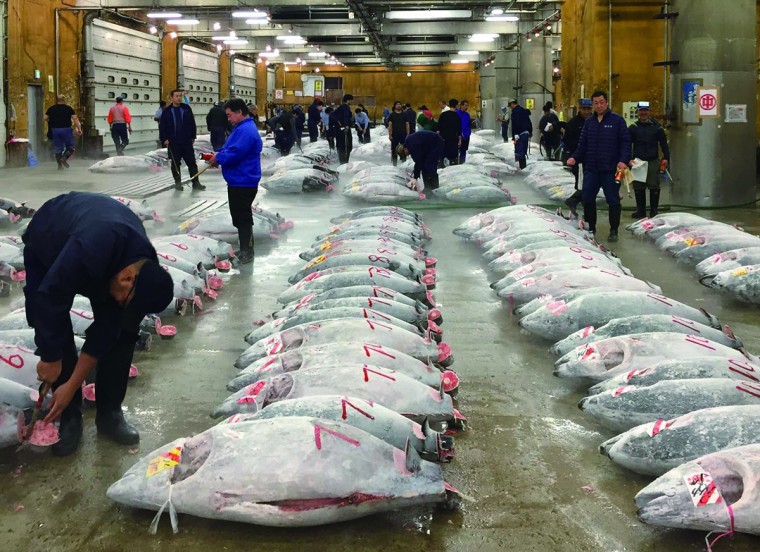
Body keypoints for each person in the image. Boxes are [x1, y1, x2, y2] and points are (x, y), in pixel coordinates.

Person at [22, 192, 174, 456]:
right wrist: (50, 357)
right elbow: (50, 298)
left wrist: (73, 383)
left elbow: (107, 330)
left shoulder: (144, 268)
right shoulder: (87, 249)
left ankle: (109, 413)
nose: (119, 301)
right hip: (49, 241)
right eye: (124, 298)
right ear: (127, 279)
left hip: (105, 250)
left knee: (123, 329)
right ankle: (69, 416)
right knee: (52, 324)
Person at [567, 90, 631, 242]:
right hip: (592, 169)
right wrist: (574, 157)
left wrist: (623, 160)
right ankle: (591, 227)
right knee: (588, 198)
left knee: (613, 200)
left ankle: (614, 230)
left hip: (611, 170)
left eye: (601, 102)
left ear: (607, 103)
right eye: (596, 103)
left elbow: (625, 142)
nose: (599, 105)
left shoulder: (617, 121)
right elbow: (582, 144)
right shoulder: (589, 122)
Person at [208, 99, 262, 265]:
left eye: (230, 115)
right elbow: (229, 148)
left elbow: (235, 153)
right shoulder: (241, 128)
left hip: (243, 180)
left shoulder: (246, 130)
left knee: (243, 217)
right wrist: (218, 155)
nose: (228, 119)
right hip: (238, 179)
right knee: (239, 217)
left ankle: (248, 250)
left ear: (239, 112)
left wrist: (219, 158)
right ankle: (245, 247)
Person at [628, 101, 670, 219]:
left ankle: (654, 211)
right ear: (638, 112)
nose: (643, 113)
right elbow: (626, 144)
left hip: (653, 161)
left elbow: (664, 144)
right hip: (638, 162)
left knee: (654, 186)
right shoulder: (633, 128)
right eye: (641, 110)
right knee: (638, 186)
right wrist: (628, 159)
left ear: (649, 112)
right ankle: (640, 211)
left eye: (646, 110)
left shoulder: (657, 128)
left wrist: (666, 157)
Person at [159, 89, 205, 191]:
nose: (179, 98)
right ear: (171, 98)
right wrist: (164, 139)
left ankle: (196, 182)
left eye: (180, 96)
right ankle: (178, 183)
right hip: (173, 142)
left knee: (191, 162)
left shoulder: (186, 109)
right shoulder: (167, 111)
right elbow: (162, 126)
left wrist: (193, 136)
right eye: (177, 96)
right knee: (175, 163)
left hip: (186, 141)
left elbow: (192, 123)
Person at [561, 98, 593, 216]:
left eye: (588, 109)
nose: (586, 111)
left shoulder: (594, 121)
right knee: (582, 184)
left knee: (589, 184)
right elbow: (566, 141)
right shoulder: (573, 123)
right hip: (579, 160)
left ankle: (579, 205)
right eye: (584, 109)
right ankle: (575, 202)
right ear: (579, 109)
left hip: (592, 159)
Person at [397, 130, 445, 196]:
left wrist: (415, 178)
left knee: (430, 165)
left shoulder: (413, 146)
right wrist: (416, 176)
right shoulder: (409, 144)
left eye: (405, 154)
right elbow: (419, 162)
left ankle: (435, 189)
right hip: (428, 147)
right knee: (424, 166)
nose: (407, 155)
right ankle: (427, 188)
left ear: (405, 149)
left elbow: (418, 162)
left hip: (436, 143)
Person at [45, 95, 82, 170]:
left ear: (57, 100)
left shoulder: (51, 108)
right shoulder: (68, 108)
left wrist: (50, 122)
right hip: (66, 130)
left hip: (55, 130)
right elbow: (75, 119)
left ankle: (59, 166)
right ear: (64, 100)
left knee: (58, 149)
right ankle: (64, 158)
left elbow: (45, 118)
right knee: (71, 147)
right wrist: (79, 128)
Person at [508, 99, 532, 169]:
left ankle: (522, 168)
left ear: (513, 104)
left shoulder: (515, 112)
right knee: (523, 150)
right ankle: (523, 167)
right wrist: (530, 131)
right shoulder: (523, 111)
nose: (510, 107)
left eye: (510, 105)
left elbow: (516, 124)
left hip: (520, 134)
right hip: (526, 133)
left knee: (519, 151)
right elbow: (529, 122)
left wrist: (515, 134)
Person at [330, 94, 354, 164]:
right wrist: (346, 125)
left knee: (340, 145)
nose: (351, 101)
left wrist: (338, 122)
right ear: (348, 100)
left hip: (339, 130)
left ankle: (342, 160)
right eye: (351, 100)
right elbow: (346, 117)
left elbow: (332, 115)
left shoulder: (340, 107)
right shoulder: (346, 107)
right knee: (347, 145)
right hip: (344, 130)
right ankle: (345, 161)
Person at [437, 99, 462, 166]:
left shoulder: (443, 115)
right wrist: (460, 140)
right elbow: (459, 130)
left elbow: (438, 128)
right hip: (453, 139)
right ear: (456, 105)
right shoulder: (457, 117)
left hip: (443, 138)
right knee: (453, 158)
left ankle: (442, 169)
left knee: (442, 156)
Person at [387, 101, 409, 166]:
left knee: (403, 149)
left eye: (400, 104)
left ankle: (404, 163)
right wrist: (390, 135)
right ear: (394, 106)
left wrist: (408, 134)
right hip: (395, 134)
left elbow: (407, 124)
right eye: (397, 104)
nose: (399, 105)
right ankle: (394, 164)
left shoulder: (405, 114)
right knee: (394, 149)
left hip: (403, 134)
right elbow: (390, 125)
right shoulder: (392, 115)